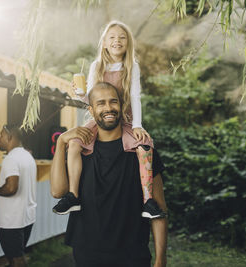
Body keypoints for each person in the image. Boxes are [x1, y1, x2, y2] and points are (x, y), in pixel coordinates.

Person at [52, 20, 163, 219]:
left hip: (124, 117)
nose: (117, 41)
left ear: (128, 43)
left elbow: (136, 96)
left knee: (144, 144)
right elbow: (91, 98)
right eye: (112, 37)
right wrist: (80, 94)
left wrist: (137, 124)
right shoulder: (97, 65)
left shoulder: (132, 66)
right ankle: (73, 195)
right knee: (76, 144)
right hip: (101, 118)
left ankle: (148, 201)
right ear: (104, 42)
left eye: (122, 37)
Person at [50, 82, 168, 267]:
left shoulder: (142, 151)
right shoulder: (81, 152)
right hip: (87, 254)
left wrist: (161, 259)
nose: (108, 108)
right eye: (101, 103)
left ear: (121, 106)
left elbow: (159, 206)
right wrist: (61, 143)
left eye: (113, 102)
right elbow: (57, 192)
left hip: (133, 255)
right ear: (91, 109)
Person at [0, 124, 37, 267]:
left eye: (1, 135)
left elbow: (12, 187)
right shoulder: (28, 156)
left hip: (12, 220)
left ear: (10, 137)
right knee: (16, 256)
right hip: (27, 217)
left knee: (16, 259)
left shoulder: (11, 158)